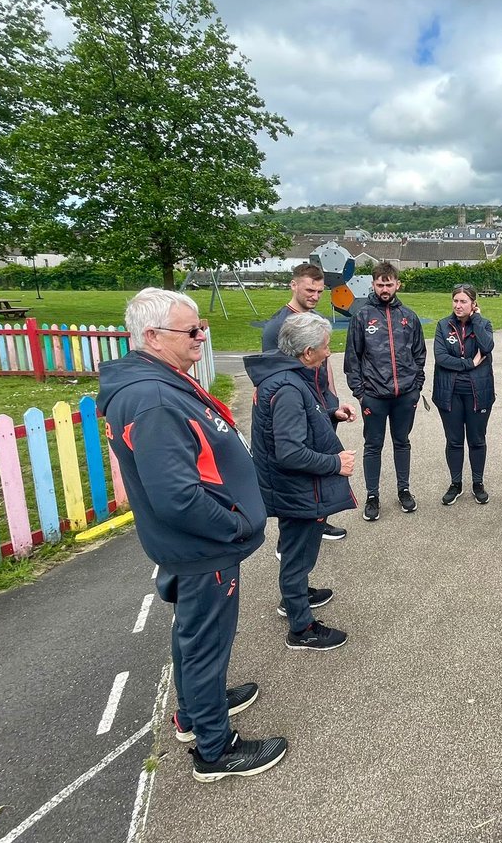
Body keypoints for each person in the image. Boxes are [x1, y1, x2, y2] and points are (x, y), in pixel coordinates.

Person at [100, 288, 287, 783]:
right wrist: (238, 525)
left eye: (200, 326)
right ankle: (215, 747)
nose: (202, 335)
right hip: (205, 547)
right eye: (193, 330)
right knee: (206, 643)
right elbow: (177, 497)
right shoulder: (153, 399)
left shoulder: (157, 382)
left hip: (196, 545)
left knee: (192, 635)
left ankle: (194, 710)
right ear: (153, 337)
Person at [246, 312, 356, 652]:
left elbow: (294, 425)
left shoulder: (284, 377)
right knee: (297, 554)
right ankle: (301, 626)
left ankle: (297, 594)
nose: (328, 352)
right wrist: (334, 464)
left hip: (290, 487)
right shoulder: (288, 387)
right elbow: (290, 453)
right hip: (295, 487)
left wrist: (329, 413)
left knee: (297, 550)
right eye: (325, 346)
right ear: (307, 352)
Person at [261, 262, 354, 541]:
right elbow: (271, 376)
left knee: (318, 470)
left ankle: (317, 520)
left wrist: (333, 404)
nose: (314, 295)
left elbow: (325, 366)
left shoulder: (315, 320)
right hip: (297, 410)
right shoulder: (278, 326)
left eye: (319, 291)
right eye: (309, 289)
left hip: (320, 409)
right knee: (297, 470)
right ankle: (288, 540)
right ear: (294, 285)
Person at [343, 261, 426, 521]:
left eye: (389, 284)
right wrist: (360, 392)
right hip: (374, 396)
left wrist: (415, 387)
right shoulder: (362, 316)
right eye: (380, 284)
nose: (385, 289)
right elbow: (352, 359)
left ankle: (404, 490)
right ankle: (372, 496)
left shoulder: (409, 317)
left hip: (405, 395)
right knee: (373, 445)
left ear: (397, 284)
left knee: (402, 442)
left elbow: (419, 355)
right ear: (373, 284)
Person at [431, 283, 495, 505]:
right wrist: (470, 363)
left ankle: (478, 483)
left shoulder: (484, 324)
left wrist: (476, 320)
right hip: (449, 393)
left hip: (479, 392)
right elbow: (441, 358)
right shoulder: (443, 325)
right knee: (455, 440)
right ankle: (455, 483)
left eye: (463, 301)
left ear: (473, 304)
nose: (458, 305)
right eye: (455, 301)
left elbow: (487, 347)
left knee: (477, 440)